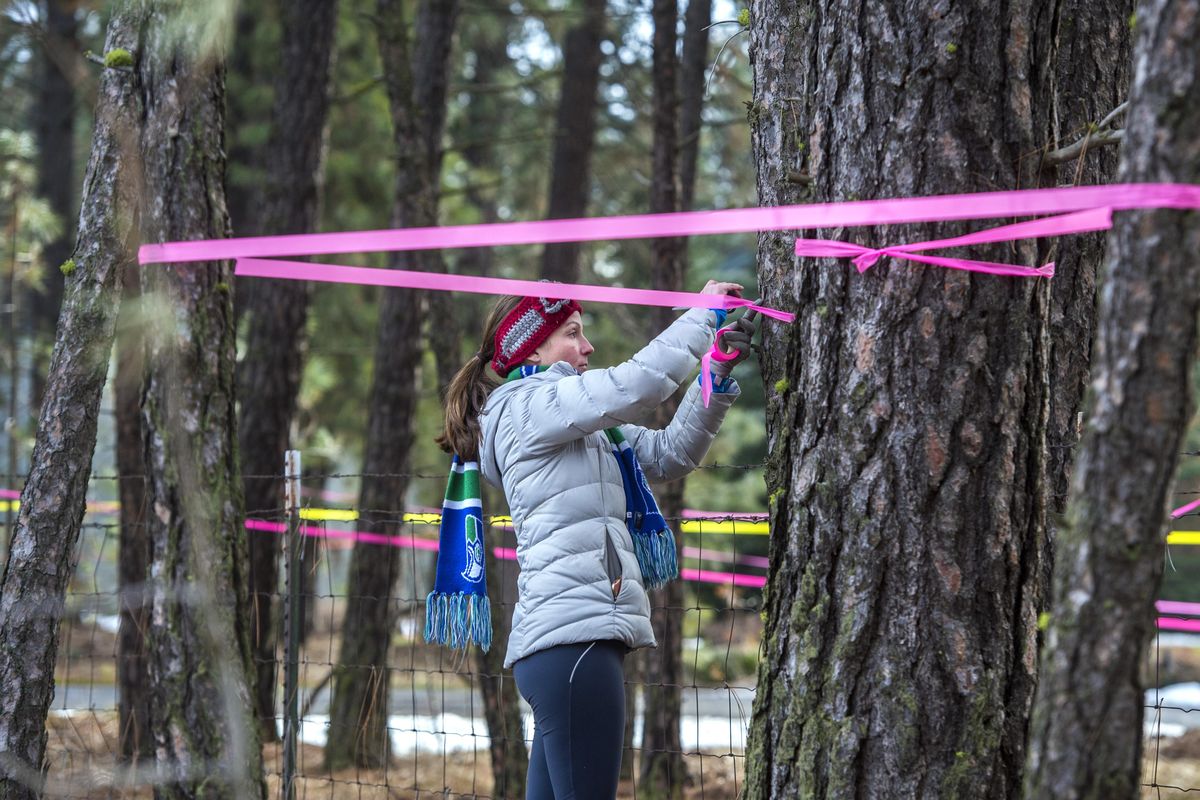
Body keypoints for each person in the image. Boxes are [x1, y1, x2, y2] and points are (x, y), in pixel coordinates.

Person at [435, 282, 756, 800]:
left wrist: (713, 370)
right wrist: (702, 318)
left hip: (568, 647)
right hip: (575, 645)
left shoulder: (583, 428)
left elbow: (671, 453)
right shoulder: (529, 407)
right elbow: (635, 387)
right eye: (572, 334)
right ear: (531, 347)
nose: (588, 348)